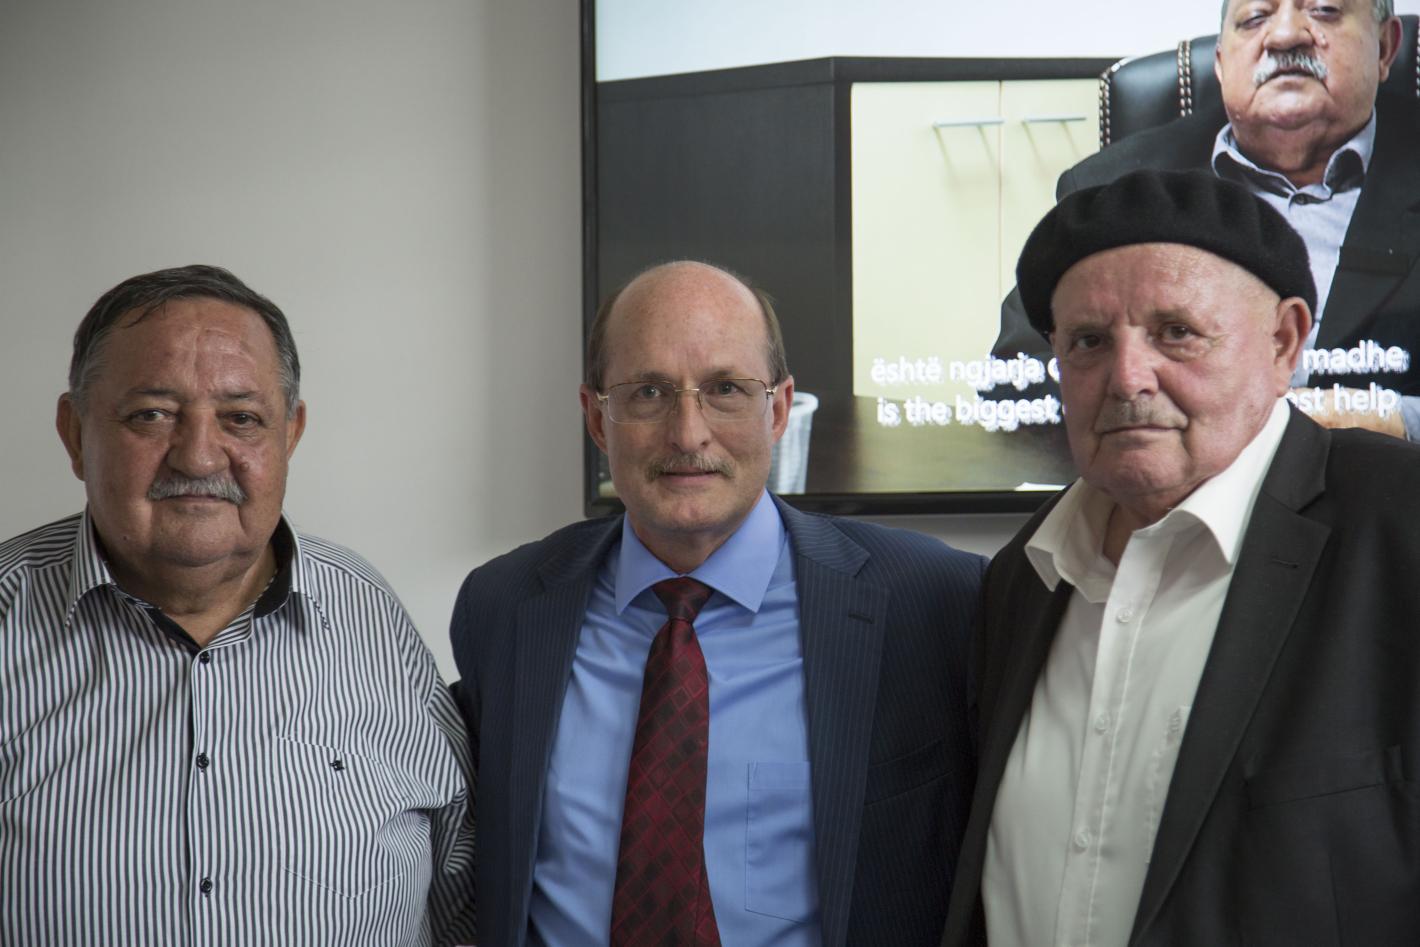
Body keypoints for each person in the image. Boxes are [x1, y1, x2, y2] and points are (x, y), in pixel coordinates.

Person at [941, 169, 1420, 946]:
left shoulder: (1399, 529)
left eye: (1176, 332)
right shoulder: (1024, 577)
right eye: (1089, 341)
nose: (1128, 378)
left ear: (1284, 341)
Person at [450, 260, 984, 947]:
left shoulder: (936, 603)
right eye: (648, 392)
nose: (688, 433)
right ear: (596, 418)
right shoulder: (504, 607)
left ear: (779, 410)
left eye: (726, 389)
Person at [0, 265, 475, 945]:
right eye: (152, 414)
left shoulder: (369, 613)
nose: (198, 457)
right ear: (75, 433)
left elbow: (468, 896)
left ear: (289, 434)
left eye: (241, 418)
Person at [993, 0, 1420, 437]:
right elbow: (1018, 378)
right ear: (1220, 62)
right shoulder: (1111, 184)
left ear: (1385, 47)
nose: (1284, 35)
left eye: (1324, 10)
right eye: (1255, 18)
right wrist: (1168, 412)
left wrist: (1395, 419)